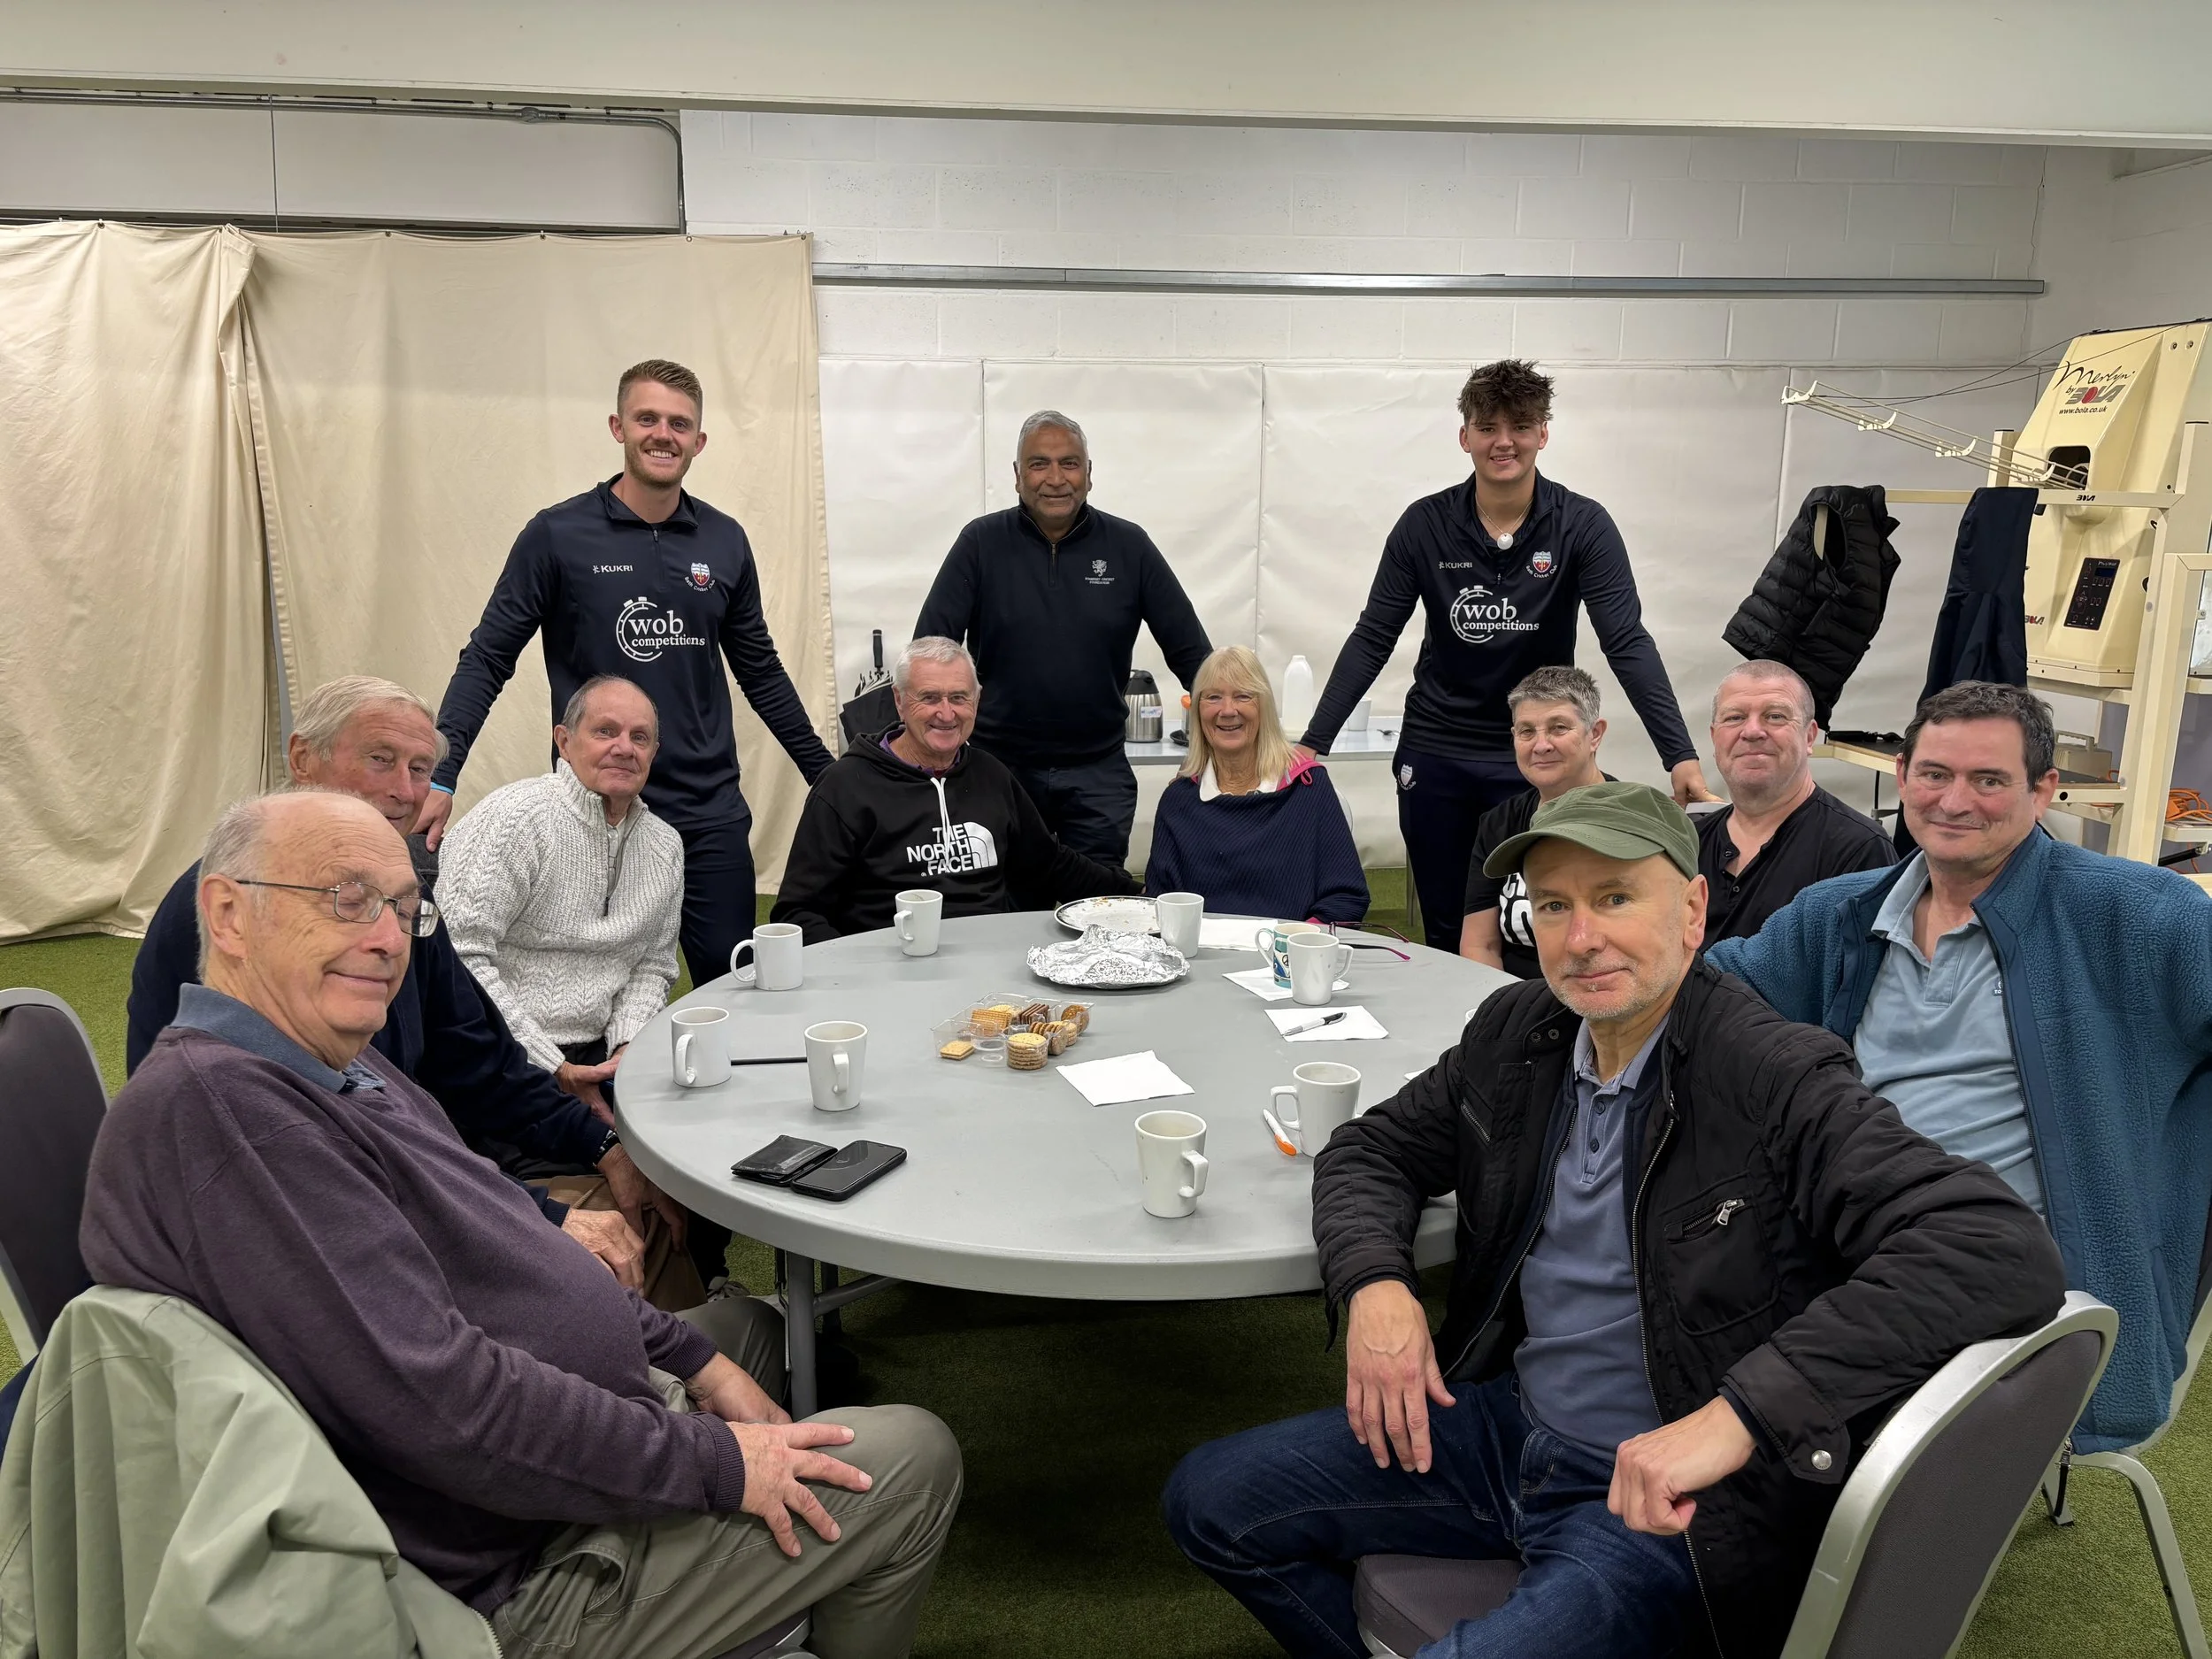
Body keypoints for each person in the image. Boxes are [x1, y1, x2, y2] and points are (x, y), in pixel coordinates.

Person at [1163, 780, 2062, 1659]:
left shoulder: (1770, 1072)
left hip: (1659, 1505)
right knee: (1209, 1500)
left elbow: (1992, 1246)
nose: (1581, 939)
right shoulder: (1520, 1032)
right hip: (1507, 1431)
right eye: (1552, 907)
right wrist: (1376, 1285)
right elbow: (1369, 1150)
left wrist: (1740, 1411)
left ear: (1692, 909)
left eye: (1615, 897)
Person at [87, 790, 963, 1658]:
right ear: (229, 914)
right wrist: (718, 1462)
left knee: (747, 1333)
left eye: (403, 909)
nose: (389, 938)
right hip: (498, 1578)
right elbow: (445, 1408)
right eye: (346, 899)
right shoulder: (234, 1117)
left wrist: (691, 1359)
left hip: (518, 1477)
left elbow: (507, 1238)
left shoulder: (330, 1071)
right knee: (912, 1456)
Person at [1708, 681, 2212, 1455]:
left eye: (1990, 779)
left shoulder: (2137, 915)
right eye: (1935, 773)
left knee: (1754, 1428)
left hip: (2012, 1284)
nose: (1954, 801)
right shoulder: (1845, 913)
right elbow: (1710, 995)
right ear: (1902, 773)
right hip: (1850, 1245)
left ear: (2044, 791)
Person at [127, 675, 680, 1301]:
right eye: (380, 759)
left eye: (421, 769)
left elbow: (476, 1059)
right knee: (594, 1274)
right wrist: (540, 1216)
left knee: (654, 1213)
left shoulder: (401, 905)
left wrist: (600, 1142)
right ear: (303, 759)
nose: (405, 791)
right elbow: (331, 1146)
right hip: (298, 1239)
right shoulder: (245, 911)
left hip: (404, 1177)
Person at [418, 358, 834, 985]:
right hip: (596, 811)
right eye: (647, 418)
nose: (662, 434)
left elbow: (761, 671)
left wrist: (826, 775)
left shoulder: (724, 541)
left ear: (699, 440)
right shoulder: (556, 535)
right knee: (591, 991)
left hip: (707, 811)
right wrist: (443, 771)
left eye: (679, 423)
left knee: (736, 984)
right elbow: (488, 656)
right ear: (618, 426)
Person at [1295, 359, 1714, 951]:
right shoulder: (1424, 526)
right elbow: (1373, 635)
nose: (1504, 441)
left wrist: (1681, 754)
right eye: (1488, 426)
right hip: (1438, 749)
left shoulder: (1582, 526)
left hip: (1538, 751)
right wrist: (1315, 742)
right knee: (1446, 926)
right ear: (1464, 436)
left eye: (1520, 425)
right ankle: (1452, 1042)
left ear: (1543, 433)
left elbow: (1626, 640)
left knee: (1544, 924)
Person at [438, 675, 703, 1303]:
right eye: (604, 730)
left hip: (609, 1059)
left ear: (655, 753)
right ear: (564, 739)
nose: (623, 747)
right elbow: (461, 956)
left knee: (702, 1173)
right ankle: (652, 1335)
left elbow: (651, 964)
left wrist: (629, 1052)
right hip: (505, 1066)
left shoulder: (664, 845)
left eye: (640, 736)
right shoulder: (512, 819)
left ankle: (692, 1314)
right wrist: (552, 1065)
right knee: (612, 1200)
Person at [914, 410, 1211, 865]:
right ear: (1017, 476)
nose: (1055, 478)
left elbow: (1193, 654)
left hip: (1099, 775)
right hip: (997, 771)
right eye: (1039, 464)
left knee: (1097, 917)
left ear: (1090, 475)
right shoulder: (980, 544)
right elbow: (930, 653)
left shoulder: (1129, 548)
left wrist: (1238, 723)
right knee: (1000, 914)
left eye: (1069, 463)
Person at [771, 637, 1141, 943]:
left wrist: (1138, 897)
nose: (946, 714)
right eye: (930, 698)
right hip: (886, 970)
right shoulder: (844, 787)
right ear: (899, 701)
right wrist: (857, 974)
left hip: (990, 965)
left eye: (959, 698)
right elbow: (798, 912)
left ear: (976, 703)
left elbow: (1051, 864)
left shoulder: (991, 775)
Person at [1144, 645, 1366, 925]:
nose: (1228, 710)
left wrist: (1294, 946)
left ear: (1264, 707)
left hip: (1288, 959)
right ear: (1197, 710)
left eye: (1243, 696)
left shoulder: (1308, 788)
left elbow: (1346, 897)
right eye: (1213, 697)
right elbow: (1160, 902)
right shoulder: (1178, 800)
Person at [1698, 660, 1891, 945]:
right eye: (1734, 717)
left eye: (1775, 716)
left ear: (1810, 736)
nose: (1752, 731)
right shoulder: (1690, 842)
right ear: (1715, 737)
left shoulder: (1858, 851)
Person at [1459, 665, 1609, 978]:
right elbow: (1480, 945)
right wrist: (1504, 1013)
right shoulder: (1499, 824)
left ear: (1594, 734)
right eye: (1527, 731)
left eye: (1558, 728)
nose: (1541, 745)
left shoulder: (1634, 818)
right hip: (1516, 999)